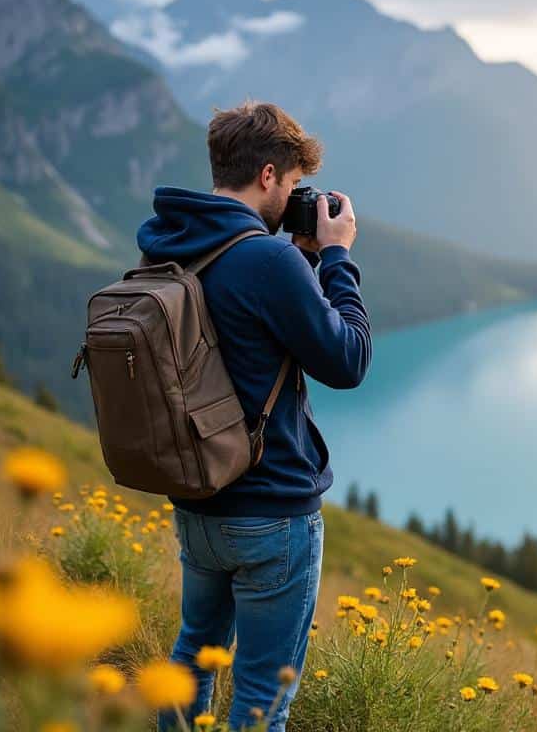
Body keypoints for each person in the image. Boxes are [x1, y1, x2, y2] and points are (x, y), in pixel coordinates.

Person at [137, 100, 371, 730]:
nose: (295, 194)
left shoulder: (171, 245)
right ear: (268, 176)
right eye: (293, 182)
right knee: (263, 699)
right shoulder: (268, 262)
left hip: (198, 502)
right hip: (272, 514)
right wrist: (336, 258)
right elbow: (348, 360)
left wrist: (296, 258)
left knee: (193, 654)